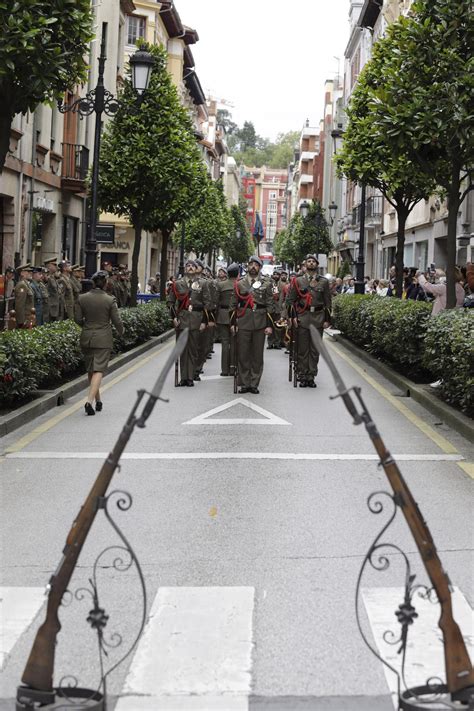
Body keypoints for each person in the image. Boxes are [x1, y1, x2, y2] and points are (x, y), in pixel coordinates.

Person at [74, 270, 124, 415]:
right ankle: (89, 401)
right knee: (98, 370)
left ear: (93, 283)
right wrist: (122, 332)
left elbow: (77, 319)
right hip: (103, 339)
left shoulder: (82, 298)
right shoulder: (110, 300)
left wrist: (87, 327)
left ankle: (98, 401)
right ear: (106, 283)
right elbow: (117, 321)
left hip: (86, 337)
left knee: (91, 369)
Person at [229, 255, 273, 394]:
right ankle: (244, 383)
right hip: (243, 321)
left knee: (257, 355)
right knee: (243, 354)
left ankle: (254, 383)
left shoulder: (266, 283)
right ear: (247, 267)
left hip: (260, 322)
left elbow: (270, 305)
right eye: (251, 264)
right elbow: (233, 305)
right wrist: (233, 323)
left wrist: (269, 325)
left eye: (256, 264)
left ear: (260, 267)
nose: (253, 267)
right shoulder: (239, 283)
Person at [286, 254, 331, 388]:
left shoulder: (323, 281)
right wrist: (292, 317)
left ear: (317, 265)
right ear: (305, 265)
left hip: (318, 317)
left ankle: (311, 375)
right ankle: (302, 374)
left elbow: (328, 302)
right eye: (309, 261)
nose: (311, 263)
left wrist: (327, 319)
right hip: (302, 317)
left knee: (315, 349)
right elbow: (290, 301)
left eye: (313, 262)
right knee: (302, 349)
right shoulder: (298, 281)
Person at [167, 259, 211, 387]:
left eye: (193, 266)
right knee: (182, 350)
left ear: (196, 268)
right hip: (182, 318)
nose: (190, 268)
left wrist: (204, 321)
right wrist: (174, 318)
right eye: (188, 266)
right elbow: (170, 302)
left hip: (197, 319)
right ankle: (183, 378)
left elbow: (207, 304)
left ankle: (190, 377)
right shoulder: (177, 284)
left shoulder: (202, 283)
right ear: (185, 269)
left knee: (192, 349)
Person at [216, 263, 239, 376]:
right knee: (235, 342)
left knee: (225, 343)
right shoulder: (240, 285)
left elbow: (216, 301)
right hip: (237, 315)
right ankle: (233, 368)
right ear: (238, 273)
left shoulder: (221, 285)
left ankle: (224, 370)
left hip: (223, 315)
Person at [13, 263, 34, 328]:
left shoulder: (27, 284)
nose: (30, 273)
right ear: (22, 273)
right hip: (24, 319)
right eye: (28, 272)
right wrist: (21, 322)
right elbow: (19, 305)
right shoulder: (22, 285)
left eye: (30, 271)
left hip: (29, 317)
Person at [44, 257, 60, 321]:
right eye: (54, 265)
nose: (56, 267)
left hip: (54, 307)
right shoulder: (47, 278)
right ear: (49, 266)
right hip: (50, 308)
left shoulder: (53, 278)